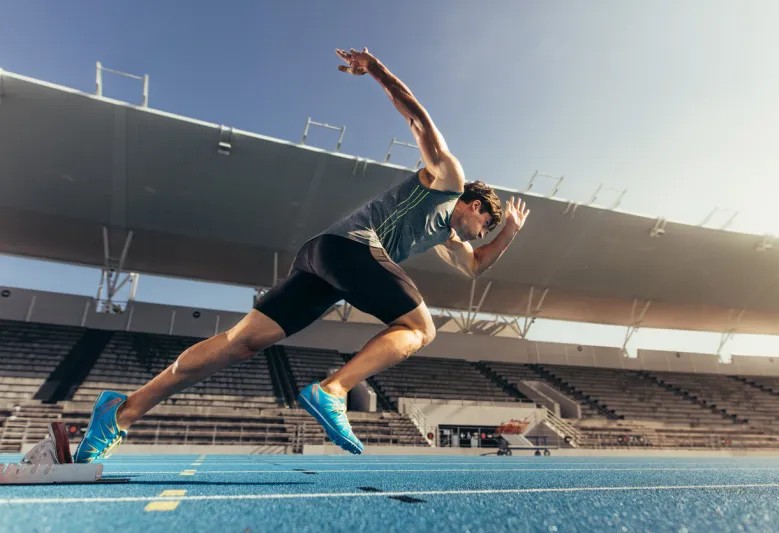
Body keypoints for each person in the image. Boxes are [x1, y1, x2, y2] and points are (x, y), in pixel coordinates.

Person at [73, 47, 530, 461]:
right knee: (419, 328)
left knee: (240, 343)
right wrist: (376, 70)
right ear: (474, 205)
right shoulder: (447, 179)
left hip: (323, 263)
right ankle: (333, 390)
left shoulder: (447, 237)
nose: (480, 233)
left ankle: (120, 413)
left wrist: (508, 231)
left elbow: (476, 265)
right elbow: (419, 119)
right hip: (349, 249)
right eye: (485, 223)